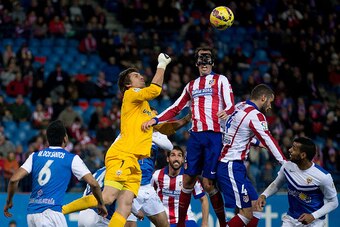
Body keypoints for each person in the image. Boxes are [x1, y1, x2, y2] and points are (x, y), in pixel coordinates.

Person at [62, 53, 171, 227]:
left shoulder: (145, 110)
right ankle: (62, 210)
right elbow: (155, 90)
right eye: (136, 76)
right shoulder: (131, 94)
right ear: (128, 85)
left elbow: (165, 128)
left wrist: (185, 119)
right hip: (122, 154)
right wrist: (162, 64)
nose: (141, 76)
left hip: (135, 162)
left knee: (125, 207)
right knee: (107, 197)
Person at [142, 46, 234, 227]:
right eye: (201, 59)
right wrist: (156, 119)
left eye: (208, 59)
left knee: (208, 184)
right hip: (196, 137)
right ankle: (182, 224)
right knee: (188, 180)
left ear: (213, 62)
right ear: (197, 63)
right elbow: (176, 108)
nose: (204, 63)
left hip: (214, 136)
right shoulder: (191, 86)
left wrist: (227, 111)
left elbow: (231, 104)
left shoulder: (221, 80)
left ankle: (223, 223)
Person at [3, 120, 106, 227]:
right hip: (51, 214)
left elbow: (13, 179)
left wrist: (9, 201)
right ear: (65, 138)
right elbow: (94, 184)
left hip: (32, 215)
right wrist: (101, 203)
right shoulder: (71, 158)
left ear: (48, 140)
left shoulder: (34, 156)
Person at [217, 84, 287, 226]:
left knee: (257, 206)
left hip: (235, 165)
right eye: (270, 102)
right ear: (263, 98)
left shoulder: (239, 106)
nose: (270, 106)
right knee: (246, 214)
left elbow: (232, 131)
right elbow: (268, 139)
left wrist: (254, 142)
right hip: (230, 165)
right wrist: (284, 162)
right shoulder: (255, 115)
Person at [126, 109, 192, 227]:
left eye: (157, 116)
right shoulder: (130, 130)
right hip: (131, 187)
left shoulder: (157, 134)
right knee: (130, 225)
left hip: (146, 187)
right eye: (154, 115)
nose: (156, 118)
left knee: (164, 225)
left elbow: (169, 146)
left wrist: (149, 133)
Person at [256, 137, 338, 226]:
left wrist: (313, 216)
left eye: (294, 148)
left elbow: (333, 202)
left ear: (303, 155)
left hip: (314, 221)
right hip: (291, 219)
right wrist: (264, 195)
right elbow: (277, 184)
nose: (289, 150)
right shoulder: (287, 167)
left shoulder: (323, 176)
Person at [152, 146, 209, 227]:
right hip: (165, 222)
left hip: (187, 220)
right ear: (167, 159)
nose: (176, 158)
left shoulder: (189, 177)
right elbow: (148, 193)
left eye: (179, 155)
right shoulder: (157, 175)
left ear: (182, 160)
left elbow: (204, 200)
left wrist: (205, 223)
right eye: (173, 155)